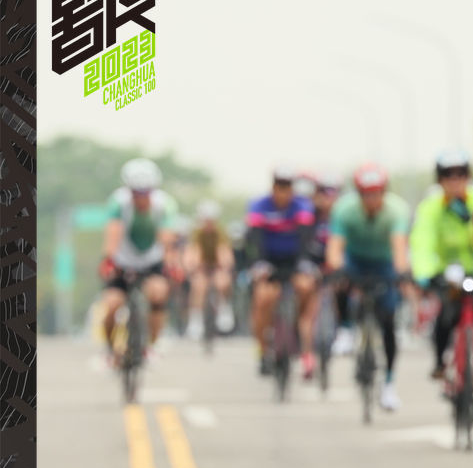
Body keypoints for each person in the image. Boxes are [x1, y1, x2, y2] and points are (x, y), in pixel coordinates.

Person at [325, 162, 416, 411]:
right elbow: (335, 248)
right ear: (358, 193)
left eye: (376, 193)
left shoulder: (397, 210)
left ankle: (388, 384)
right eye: (366, 194)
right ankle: (345, 329)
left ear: (384, 192)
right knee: (340, 281)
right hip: (355, 260)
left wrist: (402, 273)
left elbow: (399, 248)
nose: (371, 199)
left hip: (384, 263)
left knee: (388, 321)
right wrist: (337, 268)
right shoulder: (344, 209)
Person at [97, 158, 182, 359]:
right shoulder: (118, 202)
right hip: (122, 261)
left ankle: (150, 345)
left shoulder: (165, 204)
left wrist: (171, 262)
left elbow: (167, 237)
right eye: (136, 192)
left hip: (151, 262)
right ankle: (110, 349)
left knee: (158, 293)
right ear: (129, 190)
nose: (141, 197)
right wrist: (108, 259)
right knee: (112, 305)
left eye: (146, 192)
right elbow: (113, 232)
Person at [410, 149, 473, 380]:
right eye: (448, 175)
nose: (455, 180)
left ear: (468, 177)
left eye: (460, 174)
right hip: (447, 273)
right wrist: (424, 272)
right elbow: (422, 240)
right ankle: (440, 361)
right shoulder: (431, 207)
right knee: (446, 315)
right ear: (440, 180)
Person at [245, 167, 319, 379]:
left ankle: (298, 331)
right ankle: (263, 351)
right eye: (280, 186)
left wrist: (304, 263)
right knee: (263, 298)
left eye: (287, 187)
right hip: (268, 260)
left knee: (306, 287)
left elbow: (305, 238)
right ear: (273, 187)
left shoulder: (302, 206)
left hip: (294, 260)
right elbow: (255, 238)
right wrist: (259, 263)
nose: (283, 191)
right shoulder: (259, 205)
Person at [184, 200, 236, 339]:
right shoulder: (196, 234)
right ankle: (196, 319)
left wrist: (224, 265)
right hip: (201, 266)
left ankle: (224, 308)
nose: (208, 223)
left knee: (222, 281)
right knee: (199, 285)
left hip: (217, 266)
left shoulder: (221, 234)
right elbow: (192, 252)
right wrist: (192, 265)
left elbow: (225, 252)